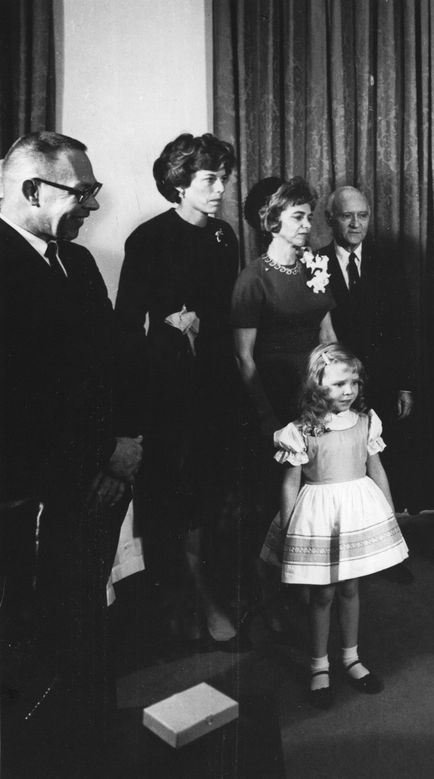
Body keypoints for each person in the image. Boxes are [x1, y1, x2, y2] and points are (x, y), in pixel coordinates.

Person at [0, 131, 142, 767]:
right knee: (29, 638)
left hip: (97, 479)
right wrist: (98, 459)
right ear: (34, 189)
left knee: (82, 622)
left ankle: (89, 741)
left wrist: (126, 443)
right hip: (28, 492)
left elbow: (113, 361)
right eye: (81, 192)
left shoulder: (78, 263)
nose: (92, 204)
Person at [114, 132, 244, 649]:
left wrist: (201, 321)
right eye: (210, 180)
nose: (221, 190)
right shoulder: (148, 239)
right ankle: (183, 605)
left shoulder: (225, 236)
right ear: (180, 182)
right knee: (173, 498)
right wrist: (170, 330)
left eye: (224, 179)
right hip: (166, 387)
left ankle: (209, 598)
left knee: (214, 495)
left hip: (216, 379)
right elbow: (127, 326)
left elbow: (226, 311)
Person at [259, 344, 408, 708]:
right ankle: (319, 665)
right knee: (322, 594)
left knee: (351, 588)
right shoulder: (300, 430)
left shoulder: (366, 421)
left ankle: (351, 657)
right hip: (319, 515)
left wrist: (389, 514)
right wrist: (290, 528)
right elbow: (290, 483)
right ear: (316, 385)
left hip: (355, 513)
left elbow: (377, 469)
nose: (349, 391)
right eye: (339, 384)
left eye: (354, 382)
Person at [231, 177, 337, 632]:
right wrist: (268, 419)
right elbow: (243, 357)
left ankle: (312, 591)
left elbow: (328, 335)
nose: (307, 225)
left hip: (315, 398)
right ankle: (269, 597)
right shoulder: (253, 279)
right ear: (271, 221)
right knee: (274, 502)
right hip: (275, 403)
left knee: (316, 494)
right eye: (298, 217)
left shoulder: (315, 266)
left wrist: (340, 394)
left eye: (309, 216)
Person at [319, 185, 416, 583]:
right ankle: (345, 557)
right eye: (347, 216)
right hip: (337, 387)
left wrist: (405, 384)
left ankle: (389, 553)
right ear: (331, 219)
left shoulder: (387, 262)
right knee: (341, 471)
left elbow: (404, 326)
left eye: (362, 215)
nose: (356, 224)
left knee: (383, 466)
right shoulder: (314, 263)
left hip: (382, 382)